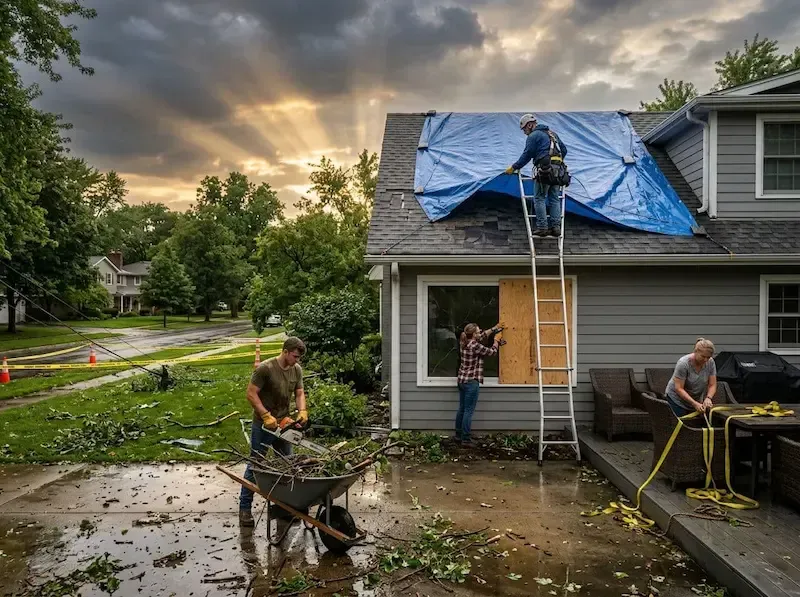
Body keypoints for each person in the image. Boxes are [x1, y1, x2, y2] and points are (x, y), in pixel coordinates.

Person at [239, 336, 308, 527]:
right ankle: (245, 509)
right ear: (285, 351)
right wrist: (265, 415)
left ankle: (284, 509)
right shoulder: (266, 369)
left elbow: (299, 392)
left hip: (283, 424)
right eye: (295, 356)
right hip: (263, 425)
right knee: (256, 464)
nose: (297, 360)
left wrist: (302, 410)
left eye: (299, 358)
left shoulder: (297, 370)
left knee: (287, 464)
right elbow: (251, 393)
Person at [505, 113, 569, 238]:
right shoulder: (552, 134)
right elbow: (564, 150)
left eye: (524, 129)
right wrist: (556, 162)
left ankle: (542, 227)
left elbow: (527, 155)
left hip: (544, 170)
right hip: (558, 171)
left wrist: (514, 167)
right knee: (554, 198)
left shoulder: (534, 136)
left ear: (529, 125)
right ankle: (556, 228)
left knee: (539, 198)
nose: (524, 132)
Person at [455, 323, 502, 446]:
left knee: (462, 409)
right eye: (477, 331)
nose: (480, 331)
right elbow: (491, 352)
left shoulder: (463, 340)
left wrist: (494, 328)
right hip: (471, 382)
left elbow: (481, 336)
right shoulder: (474, 345)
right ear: (474, 334)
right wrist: (496, 341)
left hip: (462, 380)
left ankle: (458, 435)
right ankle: (465, 439)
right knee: (468, 411)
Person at [664, 338, 718, 418]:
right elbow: (679, 388)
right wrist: (694, 403)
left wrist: (708, 398)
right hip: (676, 400)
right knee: (679, 425)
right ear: (695, 352)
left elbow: (712, 384)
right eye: (703, 356)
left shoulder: (710, 362)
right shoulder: (683, 364)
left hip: (696, 399)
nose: (706, 360)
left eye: (708, 357)